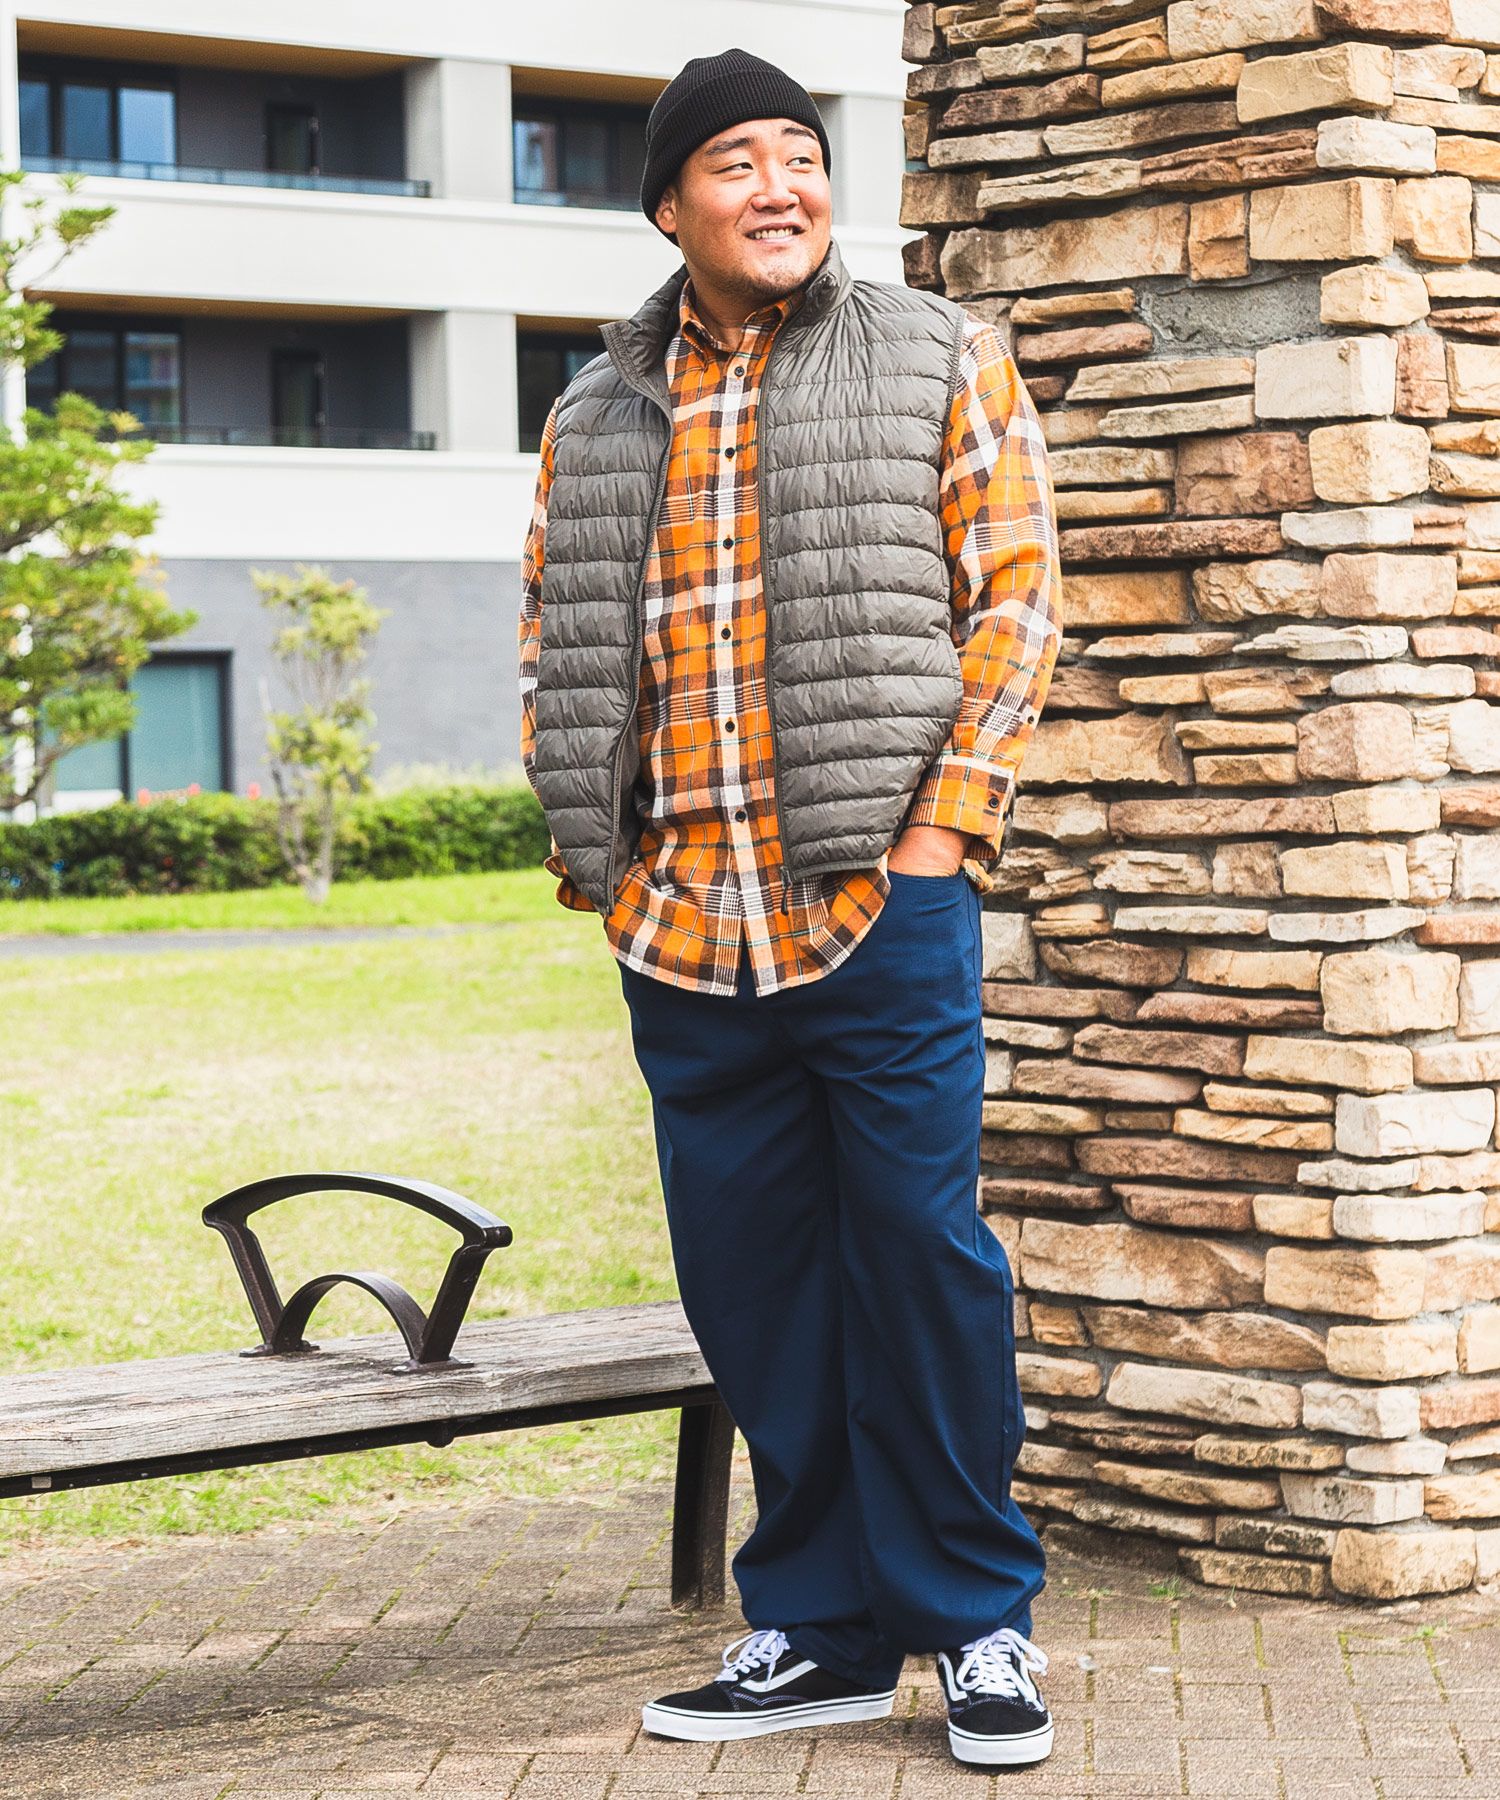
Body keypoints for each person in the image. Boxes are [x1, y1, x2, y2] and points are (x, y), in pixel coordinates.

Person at [516, 46, 1062, 1771]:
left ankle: (975, 1622)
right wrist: (595, 854)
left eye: (801, 154)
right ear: (669, 205)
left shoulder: (934, 353)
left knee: (922, 1265)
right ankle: (820, 1630)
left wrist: (943, 837)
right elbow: (555, 639)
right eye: (737, 161)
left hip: (872, 905)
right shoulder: (592, 413)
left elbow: (1017, 604)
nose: (781, 186)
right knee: (754, 1287)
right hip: (684, 930)